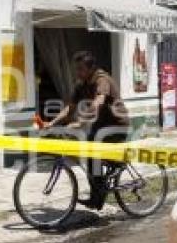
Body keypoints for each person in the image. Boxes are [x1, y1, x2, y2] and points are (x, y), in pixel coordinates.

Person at [44, 51, 130, 209]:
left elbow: (99, 101)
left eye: (80, 69)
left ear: (91, 69)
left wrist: (81, 122)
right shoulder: (80, 84)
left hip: (117, 124)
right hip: (100, 125)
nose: (78, 72)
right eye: (76, 69)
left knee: (93, 157)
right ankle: (97, 195)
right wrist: (52, 123)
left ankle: (110, 174)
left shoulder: (102, 79)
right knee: (91, 157)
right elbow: (70, 108)